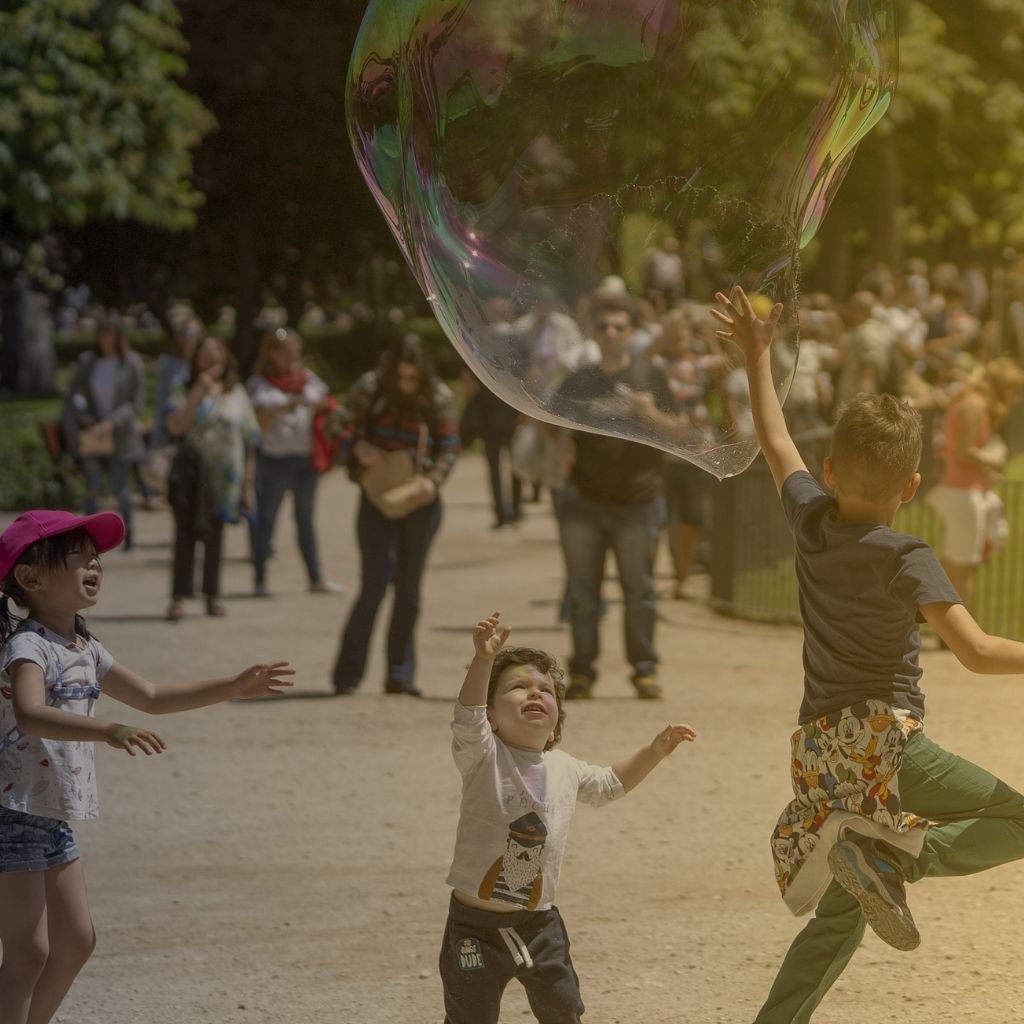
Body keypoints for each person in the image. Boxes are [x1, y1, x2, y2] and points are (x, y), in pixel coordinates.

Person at [713, 285, 1024, 1024]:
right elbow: (976, 652)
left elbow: (774, 435)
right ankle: (904, 856)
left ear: (829, 469)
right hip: (886, 743)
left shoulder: (812, 520)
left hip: (820, 749)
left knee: (845, 913)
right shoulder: (907, 554)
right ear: (912, 487)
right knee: (1017, 819)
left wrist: (758, 358)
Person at [0, 508, 292, 1024]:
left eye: (97, 555)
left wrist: (234, 686)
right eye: (78, 554)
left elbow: (152, 697)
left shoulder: (85, 647)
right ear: (29, 576)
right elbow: (29, 712)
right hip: (13, 813)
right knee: (29, 955)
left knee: (77, 943)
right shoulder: (27, 646)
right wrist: (107, 729)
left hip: (50, 814)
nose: (95, 561)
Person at [441, 610, 695, 1024]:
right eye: (518, 687)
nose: (534, 693)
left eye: (545, 689)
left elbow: (611, 783)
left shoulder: (566, 768)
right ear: (491, 714)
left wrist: (653, 753)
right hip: (474, 927)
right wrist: (484, 660)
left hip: (540, 924)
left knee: (563, 1011)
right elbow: (466, 717)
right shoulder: (484, 755)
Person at [551, 293, 678, 700]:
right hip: (583, 502)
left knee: (639, 591)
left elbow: (679, 430)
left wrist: (649, 413)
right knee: (583, 592)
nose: (610, 333)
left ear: (631, 333)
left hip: (638, 501)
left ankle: (644, 669)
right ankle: (582, 670)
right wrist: (561, 450)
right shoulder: (580, 379)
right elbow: (547, 420)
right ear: (593, 332)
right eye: (603, 327)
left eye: (619, 327)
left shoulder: (651, 374)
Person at [330, 333, 460, 696]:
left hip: (421, 501)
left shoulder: (437, 395)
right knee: (374, 585)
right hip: (377, 500)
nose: (405, 385)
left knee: (409, 592)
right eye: (400, 377)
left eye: (412, 378)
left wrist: (433, 480)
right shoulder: (370, 388)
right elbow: (333, 424)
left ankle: (400, 676)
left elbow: (450, 444)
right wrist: (358, 446)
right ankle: (347, 675)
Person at [164, 335, 260, 621]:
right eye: (204, 353)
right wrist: (197, 392)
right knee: (184, 535)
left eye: (216, 351)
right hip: (191, 474)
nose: (210, 357)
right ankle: (178, 597)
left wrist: (248, 486)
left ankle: (212, 595)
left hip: (225, 478)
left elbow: (250, 440)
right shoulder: (182, 387)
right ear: (195, 360)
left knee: (216, 536)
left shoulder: (237, 392)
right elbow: (176, 427)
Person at [247, 327, 341, 596]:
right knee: (266, 519)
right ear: (272, 354)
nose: (292, 357)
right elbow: (256, 423)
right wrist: (283, 406)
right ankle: (260, 579)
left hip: (305, 462)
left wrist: (314, 403)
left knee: (306, 520)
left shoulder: (307, 379)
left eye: (295, 352)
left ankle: (315, 578)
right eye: (286, 352)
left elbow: (327, 404)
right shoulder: (259, 384)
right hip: (274, 461)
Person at [926, 357, 1024, 613]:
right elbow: (962, 450)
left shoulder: (972, 401)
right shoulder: (974, 404)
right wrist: (992, 460)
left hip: (964, 490)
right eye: (1013, 390)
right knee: (963, 569)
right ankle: (962, 635)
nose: (1015, 397)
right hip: (962, 493)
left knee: (953, 565)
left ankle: (949, 633)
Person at [61, 316, 146, 549]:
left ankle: (127, 534)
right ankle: (88, 538)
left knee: (121, 486)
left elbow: (137, 401)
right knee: (92, 486)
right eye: (102, 333)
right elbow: (73, 392)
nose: (106, 339)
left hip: (119, 433)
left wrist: (112, 422)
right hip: (93, 431)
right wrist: (83, 414)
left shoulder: (131, 362)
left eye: (110, 334)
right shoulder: (88, 362)